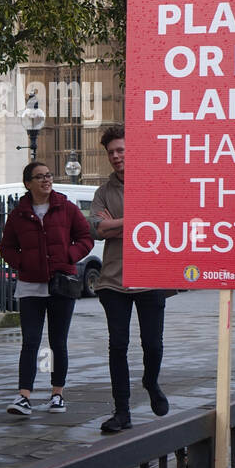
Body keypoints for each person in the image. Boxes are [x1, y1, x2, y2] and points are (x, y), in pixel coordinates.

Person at [89, 126, 171, 433]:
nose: (115, 156)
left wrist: (116, 224)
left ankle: (151, 381)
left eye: (121, 150)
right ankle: (122, 411)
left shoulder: (154, 184)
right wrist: (135, 221)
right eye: (111, 152)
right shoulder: (102, 192)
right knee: (117, 346)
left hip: (151, 276)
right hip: (113, 281)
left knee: (152, 343)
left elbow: (163, 222)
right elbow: (97, 229)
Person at [0, 161, 93, 416]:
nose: (46, 180)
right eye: (39, 177)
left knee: (57, 342)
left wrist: (69, 256)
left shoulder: (66, 208)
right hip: (30, 286)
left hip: (61, 284)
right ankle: (24, 396)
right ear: (28, 183)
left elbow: (85, 238)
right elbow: (6, 247)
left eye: (48, 175)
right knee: (30, 342)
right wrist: (23, 263)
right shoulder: (18, 214)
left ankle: (57, 394)